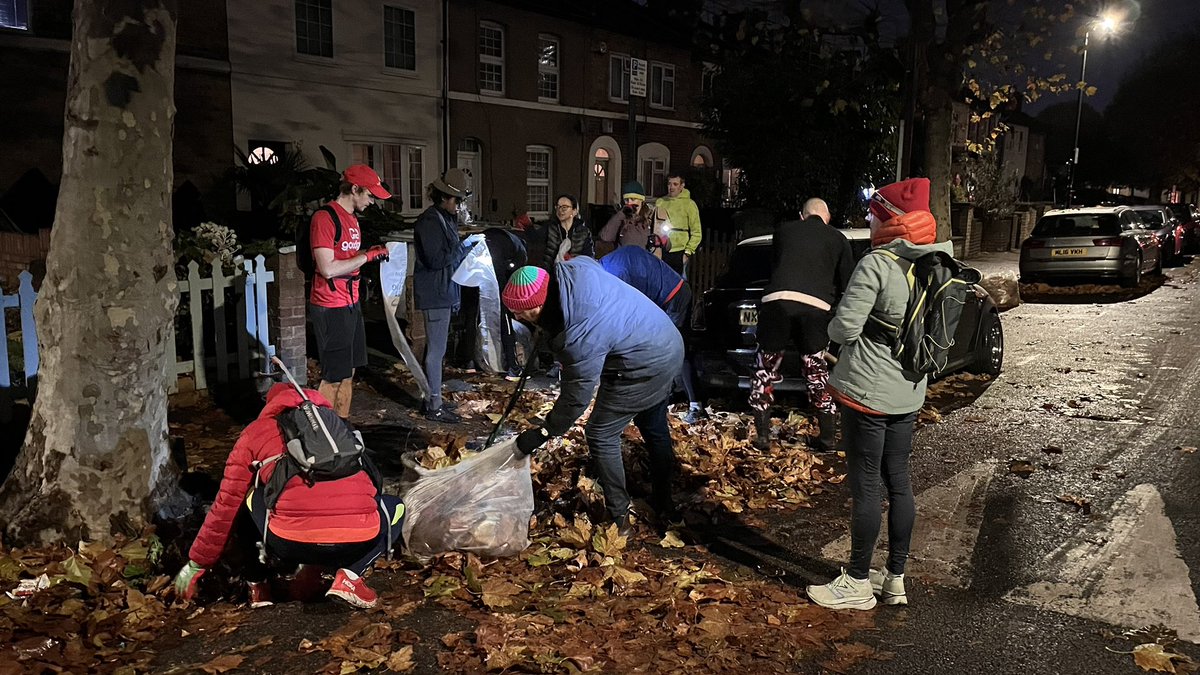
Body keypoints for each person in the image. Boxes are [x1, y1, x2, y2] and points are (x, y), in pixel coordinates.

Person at [805, 178, 944, 611]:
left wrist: (835, 330)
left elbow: (843, 328)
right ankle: (895, 578)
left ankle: (858, 581)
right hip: (909, 389)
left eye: (874, 213)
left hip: (867, 390)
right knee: (898, 481)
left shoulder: (878, 263)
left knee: (865, 484)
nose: (869, 219)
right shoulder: (936, 262)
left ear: (888, 218)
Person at [172, 383, 404, 609]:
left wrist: (197, 563)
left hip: (289, 543)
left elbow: (225, 506)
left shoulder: (257, 432)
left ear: (272, 405)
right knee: (396, 507)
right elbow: (374, 483)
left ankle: (258, 585)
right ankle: (351, 575)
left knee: (244, 498)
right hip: (359, 539)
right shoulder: (338, 428)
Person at [501, 260, 684, 534]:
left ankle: (620, 519)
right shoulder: (574, 272)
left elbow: (576, 397)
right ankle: (664, 502)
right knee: (651, 421)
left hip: (644, 364)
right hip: (664, 339)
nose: (516, 319)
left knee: (600, 433)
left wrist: (544, 432)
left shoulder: (580, 333)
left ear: (537, 308)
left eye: (519, 314)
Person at [748, 198, 855, 452]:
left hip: (777, 303)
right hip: (816, 308)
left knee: (765, 367)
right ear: (827, 217)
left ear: (802, 215)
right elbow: (847, 284)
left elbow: (775, 267)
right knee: (815, 370)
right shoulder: (838, 239)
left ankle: (763, 437)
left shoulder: (783, 231)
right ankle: (827, 438)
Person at [308, 164, 391, 419]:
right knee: (333, 375)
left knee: (350, 371)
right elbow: (327, 268)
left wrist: (367, 253)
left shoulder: (352, 219)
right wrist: (366, 257)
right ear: (354, 189)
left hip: (351, 303)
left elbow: (346, 255)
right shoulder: (324, 218)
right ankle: (321, 434)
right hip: (331, 305)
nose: (372, 201)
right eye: (370, 195)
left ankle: (341, 428)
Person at [599, 245, 704, 423]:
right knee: (666, 350)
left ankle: (695, 405)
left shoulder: (614, 274)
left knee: (672, 351)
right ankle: (668, 395)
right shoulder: (610, 262)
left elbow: (626, 311)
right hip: (672, 291)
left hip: (674, 297)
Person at [413, 168, 480, 423]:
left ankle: (433, 399)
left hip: (443, 292)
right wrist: (464, 247)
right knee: (436, 351)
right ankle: (434, 406)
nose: (460, 206)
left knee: (437, 350)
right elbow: (437, 259)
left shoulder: (443, 219)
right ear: (445, 198)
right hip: (435, 293)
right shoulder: (430, 221)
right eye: (458, 201)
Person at [482, 227, 528, 379]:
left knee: (474, 314)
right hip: (496, 267)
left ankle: (470, 362)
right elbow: (516, 279)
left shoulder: (503, 238)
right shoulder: (520, 252)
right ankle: (513, 367)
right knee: (505, 318)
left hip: (478, 262)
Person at [599, 181, 668, 254]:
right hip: (625, 261)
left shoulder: (651, 218)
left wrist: (663, 240)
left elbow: (667, 246)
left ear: (641, 200)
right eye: (626, 200)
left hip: (644, 261)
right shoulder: (621, 218)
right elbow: (605, 237)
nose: (629, 203)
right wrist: (621, 214)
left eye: (633, 199)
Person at [656, 173, 703, 277]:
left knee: (680, 284)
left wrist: (687, 252)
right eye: (669, 184)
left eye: (675, 184)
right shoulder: (660, 202)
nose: (671, 187)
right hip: (662, 249)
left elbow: (697, 232)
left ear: (682, 186)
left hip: (680, 250)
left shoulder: (689, 204)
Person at [540, 194, 595, 268]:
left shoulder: (583, 232)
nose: (560, 210)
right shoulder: (549, 228)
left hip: (576, 272)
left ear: (574, 211)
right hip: (551, 273)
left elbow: (589, 258)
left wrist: (572, 260)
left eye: (564, 207)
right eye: (558, 207)